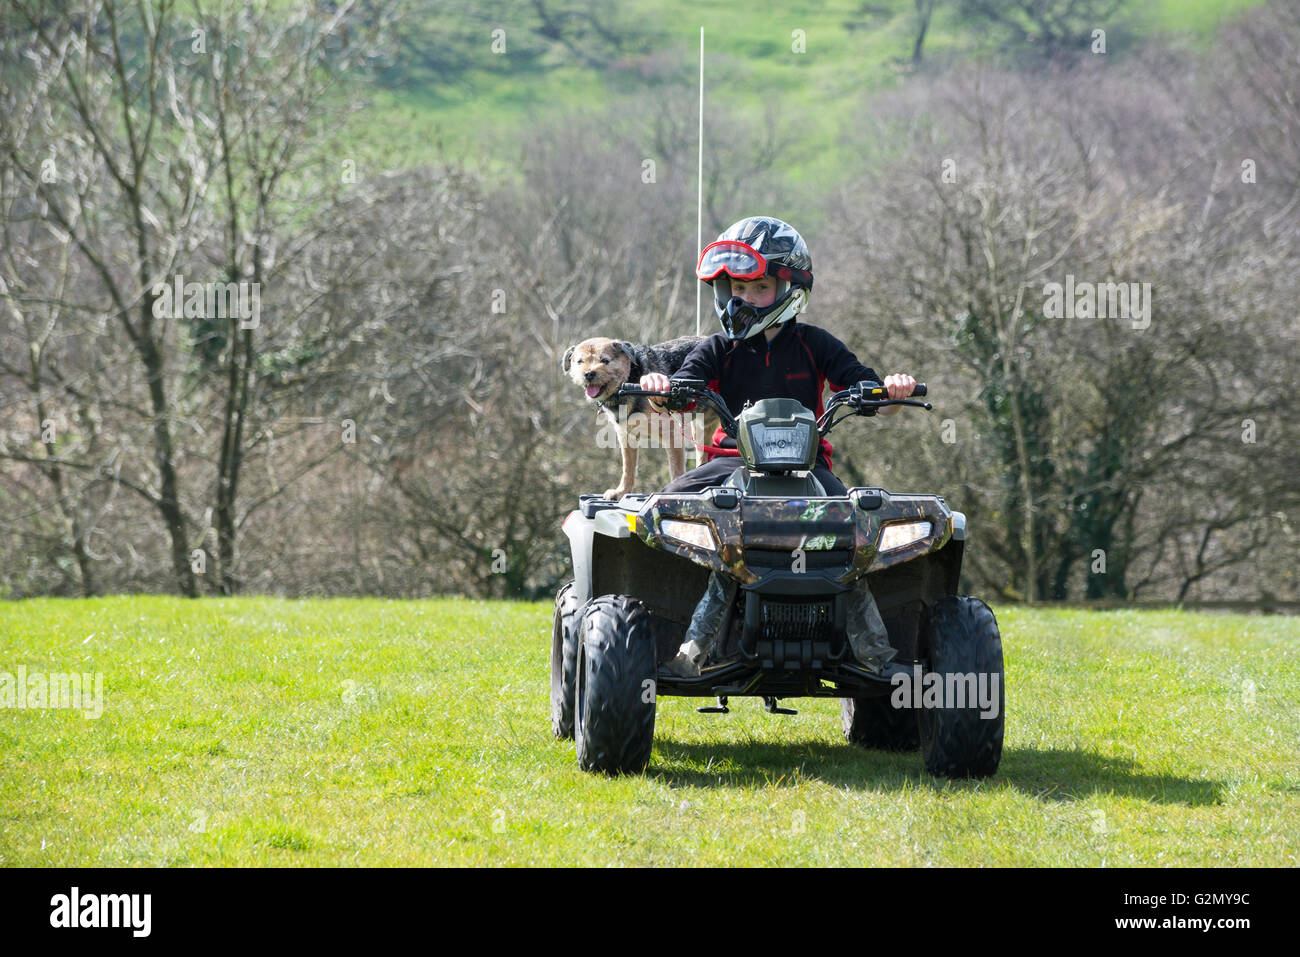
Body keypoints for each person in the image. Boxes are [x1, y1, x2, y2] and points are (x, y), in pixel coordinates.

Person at [638, 215, 916, 676]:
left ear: (791, 290)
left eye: (759, 288)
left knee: (855, 537)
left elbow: (871, 395)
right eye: (737, 290)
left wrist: (894, 392)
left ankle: (879, 659)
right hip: (728, 468)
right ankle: (668, 641)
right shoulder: (716, 348)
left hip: (809, 474)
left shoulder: (815, 344)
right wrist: (659, 388)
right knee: (659, 513)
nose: (745, 300)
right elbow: (677, 394)